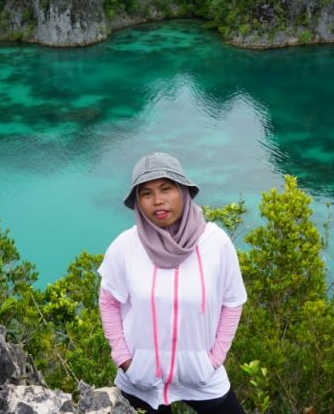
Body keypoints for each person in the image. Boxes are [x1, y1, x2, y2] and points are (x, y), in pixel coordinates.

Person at [98, 152, 247, 414]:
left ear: (183, 191)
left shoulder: (216, 243)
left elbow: (232, 302)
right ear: (138, 202)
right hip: (140, 381)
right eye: (146, 193)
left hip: (202, 377)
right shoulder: (126, 246)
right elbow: (109, 301)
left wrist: (213, 360)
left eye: (166, 189)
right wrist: (125, 360)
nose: (158, 201)